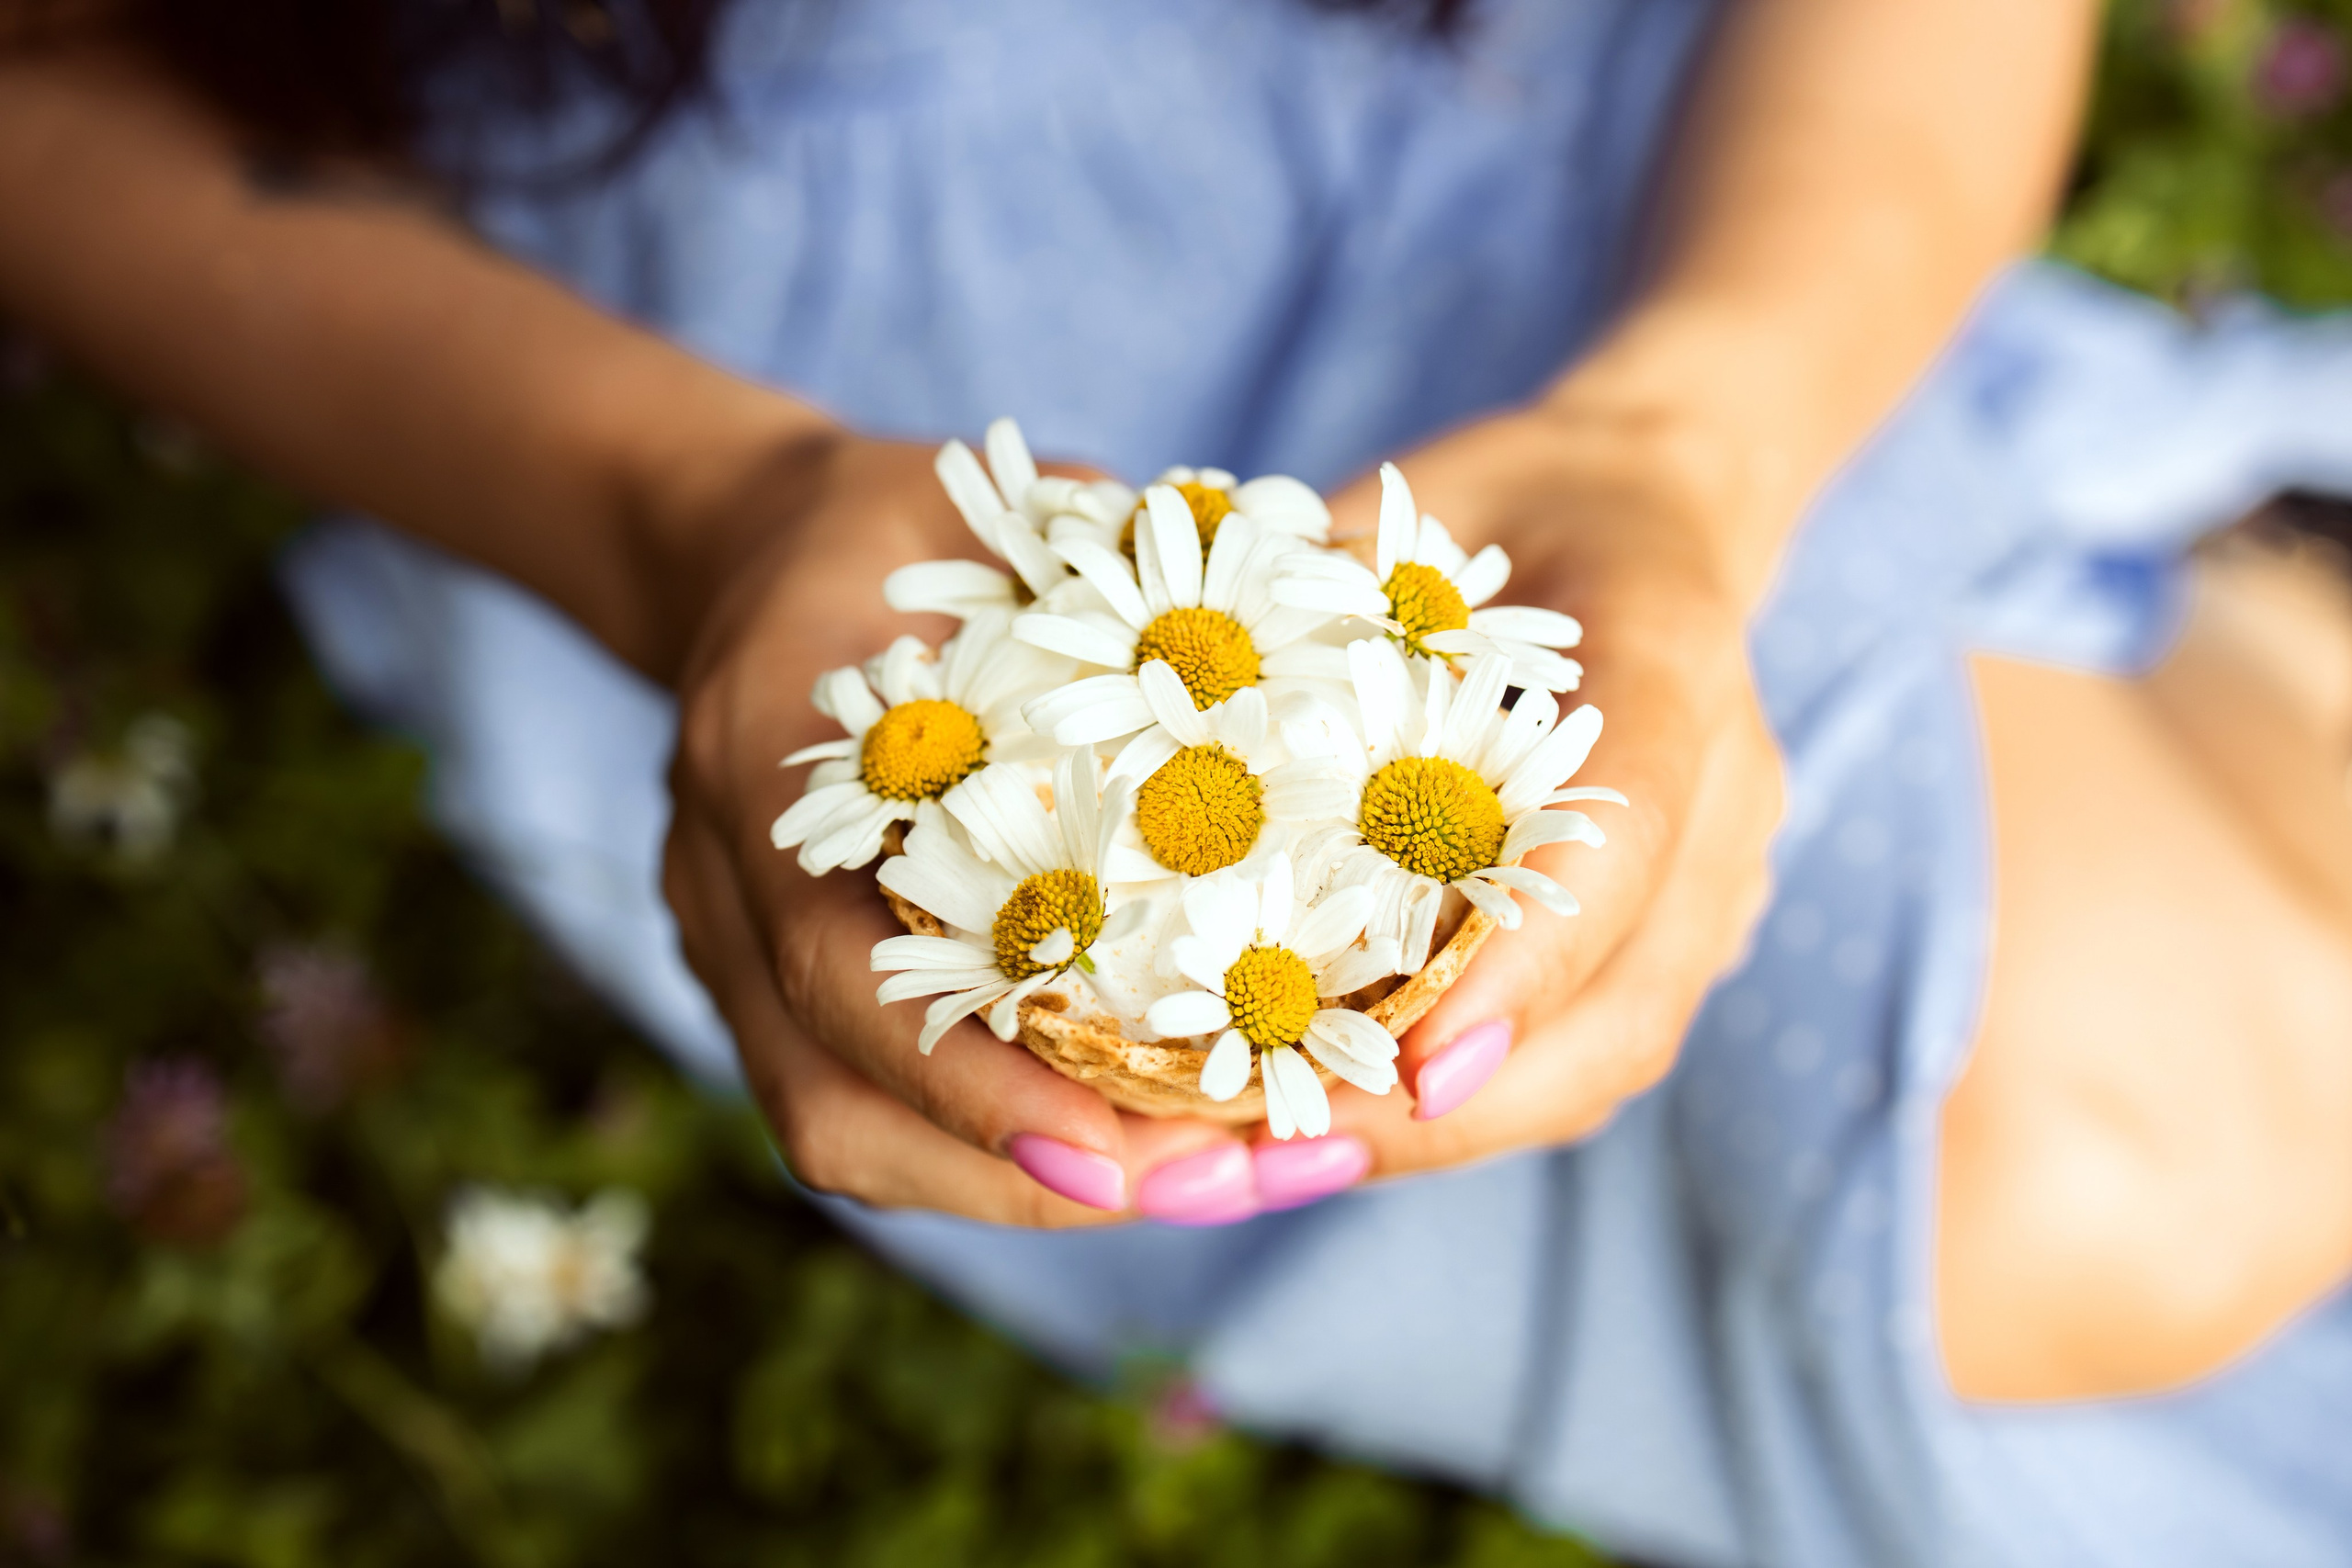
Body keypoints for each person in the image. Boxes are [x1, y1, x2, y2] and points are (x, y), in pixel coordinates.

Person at [5, 0, 2352, 1562]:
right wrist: (684, 512)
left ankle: (2178, 592)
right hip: (895, 482)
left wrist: (1695, 433)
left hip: (1749, 253)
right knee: (2091, 1158)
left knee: (2117, 1132)